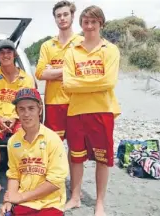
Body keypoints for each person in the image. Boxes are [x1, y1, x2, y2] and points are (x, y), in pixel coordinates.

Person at [62, 5, 121, 216]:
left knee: (102, 159)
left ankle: (99, 203)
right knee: (76, 157)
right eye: (86, 22)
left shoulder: (110, 50)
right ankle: (75, 197)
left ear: (100, 23)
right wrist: (94, 83)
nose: (89, 26)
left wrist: (82, 83)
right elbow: (67, 84)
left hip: (102, 111)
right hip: (76, 112)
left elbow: (109, 81)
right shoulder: (72, 51)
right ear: (81, 24)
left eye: (93, 22)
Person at [0, 39, 35, 209]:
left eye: (9, 52)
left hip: (19, 116)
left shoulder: (25, 78)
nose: (5, 55)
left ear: (14, 55)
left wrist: (13, 117)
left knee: (23, 141)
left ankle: (22, 184)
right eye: (2, 52)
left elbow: (26, 100)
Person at [1, 88, 69, 216]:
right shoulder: (13, 142)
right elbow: (14, 175)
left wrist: (20, 197)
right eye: (21, 109)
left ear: (40, 109)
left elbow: (55, 182)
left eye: (31, 108)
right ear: (16, 112)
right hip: (25, 203)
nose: (26, 114)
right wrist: (9, 200)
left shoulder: (53, 139)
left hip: (50, 203)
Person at [35, 0, 83, 141]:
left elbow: (83, 72)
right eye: (58, 15)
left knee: (75, 149)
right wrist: (69, 70)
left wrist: (54, 71)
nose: (62, 18)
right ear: (55, 18)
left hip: (77, 101)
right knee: (53, 145)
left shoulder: (82, 42)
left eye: (65, 14)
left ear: (72, 16)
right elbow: (40, 73)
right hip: (53, 102)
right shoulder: (47, 45)